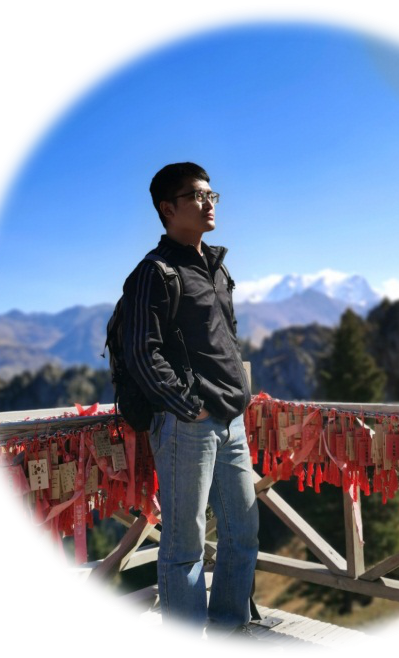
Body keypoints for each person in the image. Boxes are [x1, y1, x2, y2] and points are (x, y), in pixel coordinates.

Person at [120, 163, 283, 653]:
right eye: (196, 195)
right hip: (187, 424)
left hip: (231, 420)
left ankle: (229, 630)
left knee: (242, 531)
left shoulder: (216, 266)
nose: (209, 202)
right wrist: (185, 406)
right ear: (168, 209)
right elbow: (140, 351)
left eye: (212, 194)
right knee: (184, 543)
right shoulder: (154, 272)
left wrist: (235, 398)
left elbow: (224, 339)